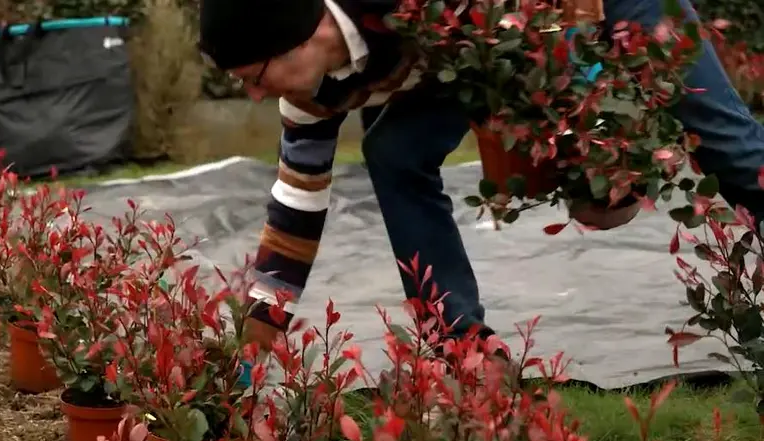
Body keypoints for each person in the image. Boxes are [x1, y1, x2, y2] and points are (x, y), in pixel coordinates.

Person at [198, 0, 764, 355]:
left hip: (593, 13)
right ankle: (462, 346)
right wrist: (263, 322)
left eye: (254, 75)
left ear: (298, 36)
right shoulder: (311, 91)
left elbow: (557, 40)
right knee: (393, 150)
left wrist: (600, 156)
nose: (253, 94)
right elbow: (297, 199)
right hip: (484, 54)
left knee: (733, 153)